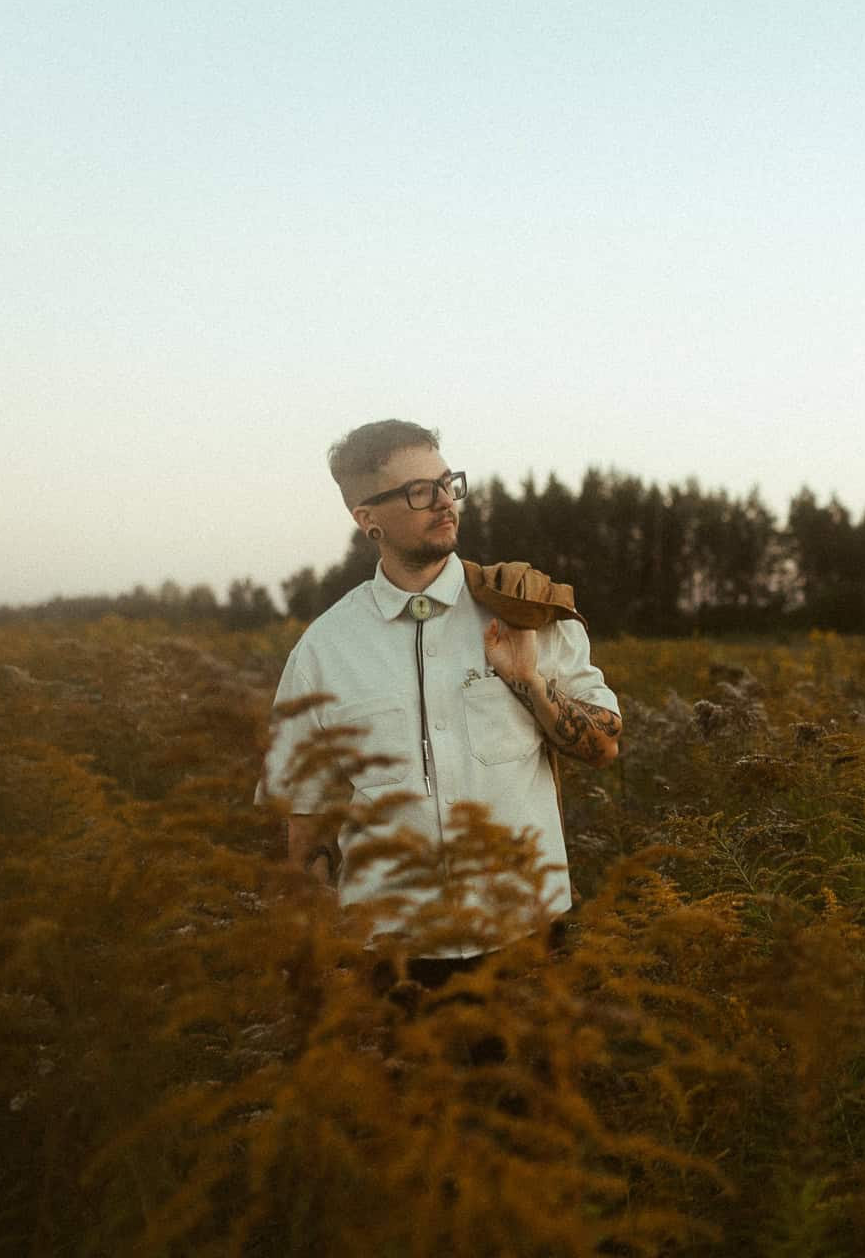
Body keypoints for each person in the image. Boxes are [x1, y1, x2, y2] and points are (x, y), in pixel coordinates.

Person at [257, 419, 623, 982]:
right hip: (392, 959)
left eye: (446, 483)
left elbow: (604, 747)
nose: (444, 502)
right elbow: (308, 826)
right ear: (367, 519)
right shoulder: (323, 652)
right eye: (418, 492)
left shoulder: (523, 609)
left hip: (526, 944)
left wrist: (528, 680)